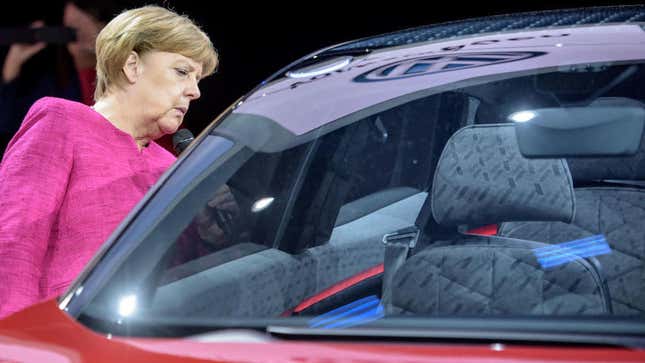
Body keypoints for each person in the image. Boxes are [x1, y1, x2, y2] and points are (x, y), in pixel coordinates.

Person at [0, 5, 218, 318]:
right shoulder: (62, 121)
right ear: (132, 65)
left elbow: (182, 275)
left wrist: (212, 233)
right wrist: (18, 342)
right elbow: (14, 243)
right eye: (182, 71)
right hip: (61, 341)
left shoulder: (170, 166)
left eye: (198, 79)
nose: (195, 91)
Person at [0, 1, 117, 155]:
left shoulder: (123, 78)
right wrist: (13, 64)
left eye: (91, 21)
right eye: (72, 29)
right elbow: (8, 125)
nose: (80, 35)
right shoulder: (51, 87)